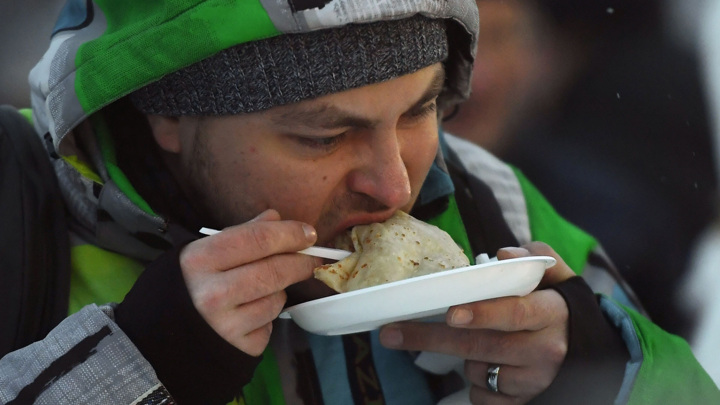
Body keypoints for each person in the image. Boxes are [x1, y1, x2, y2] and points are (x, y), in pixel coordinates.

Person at [0, 1, 718, 404]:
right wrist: (139, 367)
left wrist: (596, 371)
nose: (397, 185)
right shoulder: (18, 218)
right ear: (168, 118)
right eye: (325, 136)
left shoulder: (484, 198)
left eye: (420, 110)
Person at [445, 0, 719, 337]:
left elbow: (671, 370)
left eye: (500, 37)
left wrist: (588, 344)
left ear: (545, 54)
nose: (477, 77)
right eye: (452, 39)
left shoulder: (616, 222)